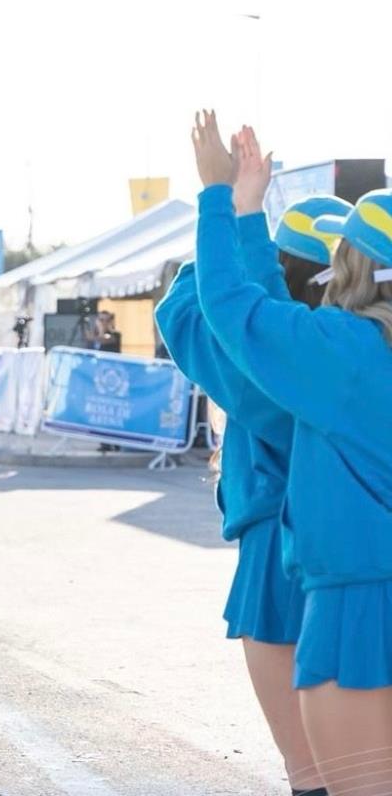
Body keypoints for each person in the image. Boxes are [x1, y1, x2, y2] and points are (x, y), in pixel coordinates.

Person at [192, 111, 392, 796]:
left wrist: (227, 203)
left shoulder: (346, 355)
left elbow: (231, 308)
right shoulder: (341, 352)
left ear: (355, 268)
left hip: (359, 605)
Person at [157, 118, 344, 796]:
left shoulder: (265, 365)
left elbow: (187, 306)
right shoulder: (356, 357)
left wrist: (235, 211)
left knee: (314, 777)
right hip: (351, 559)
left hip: (278, 553)